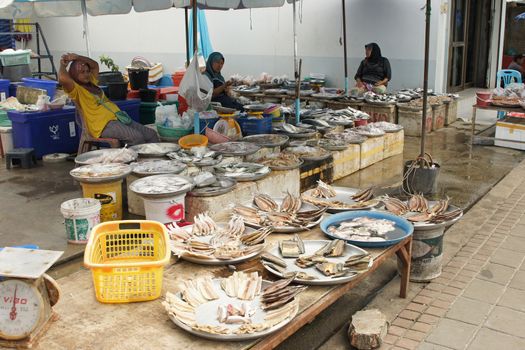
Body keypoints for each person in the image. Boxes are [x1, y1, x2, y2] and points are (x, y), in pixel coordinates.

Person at [58, 53, 159, 146]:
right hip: (103, 125)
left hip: (119, 117)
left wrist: (77, 57)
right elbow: (62, 79)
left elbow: (94, 65)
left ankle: (155, 162)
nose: (86, 74)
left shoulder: (92, 82)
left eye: (87, 71)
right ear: (73, 74)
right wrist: (63, 65)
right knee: (137, 138)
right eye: (82, 72)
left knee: (152, 135)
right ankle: (136, 164)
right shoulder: (76, 89)